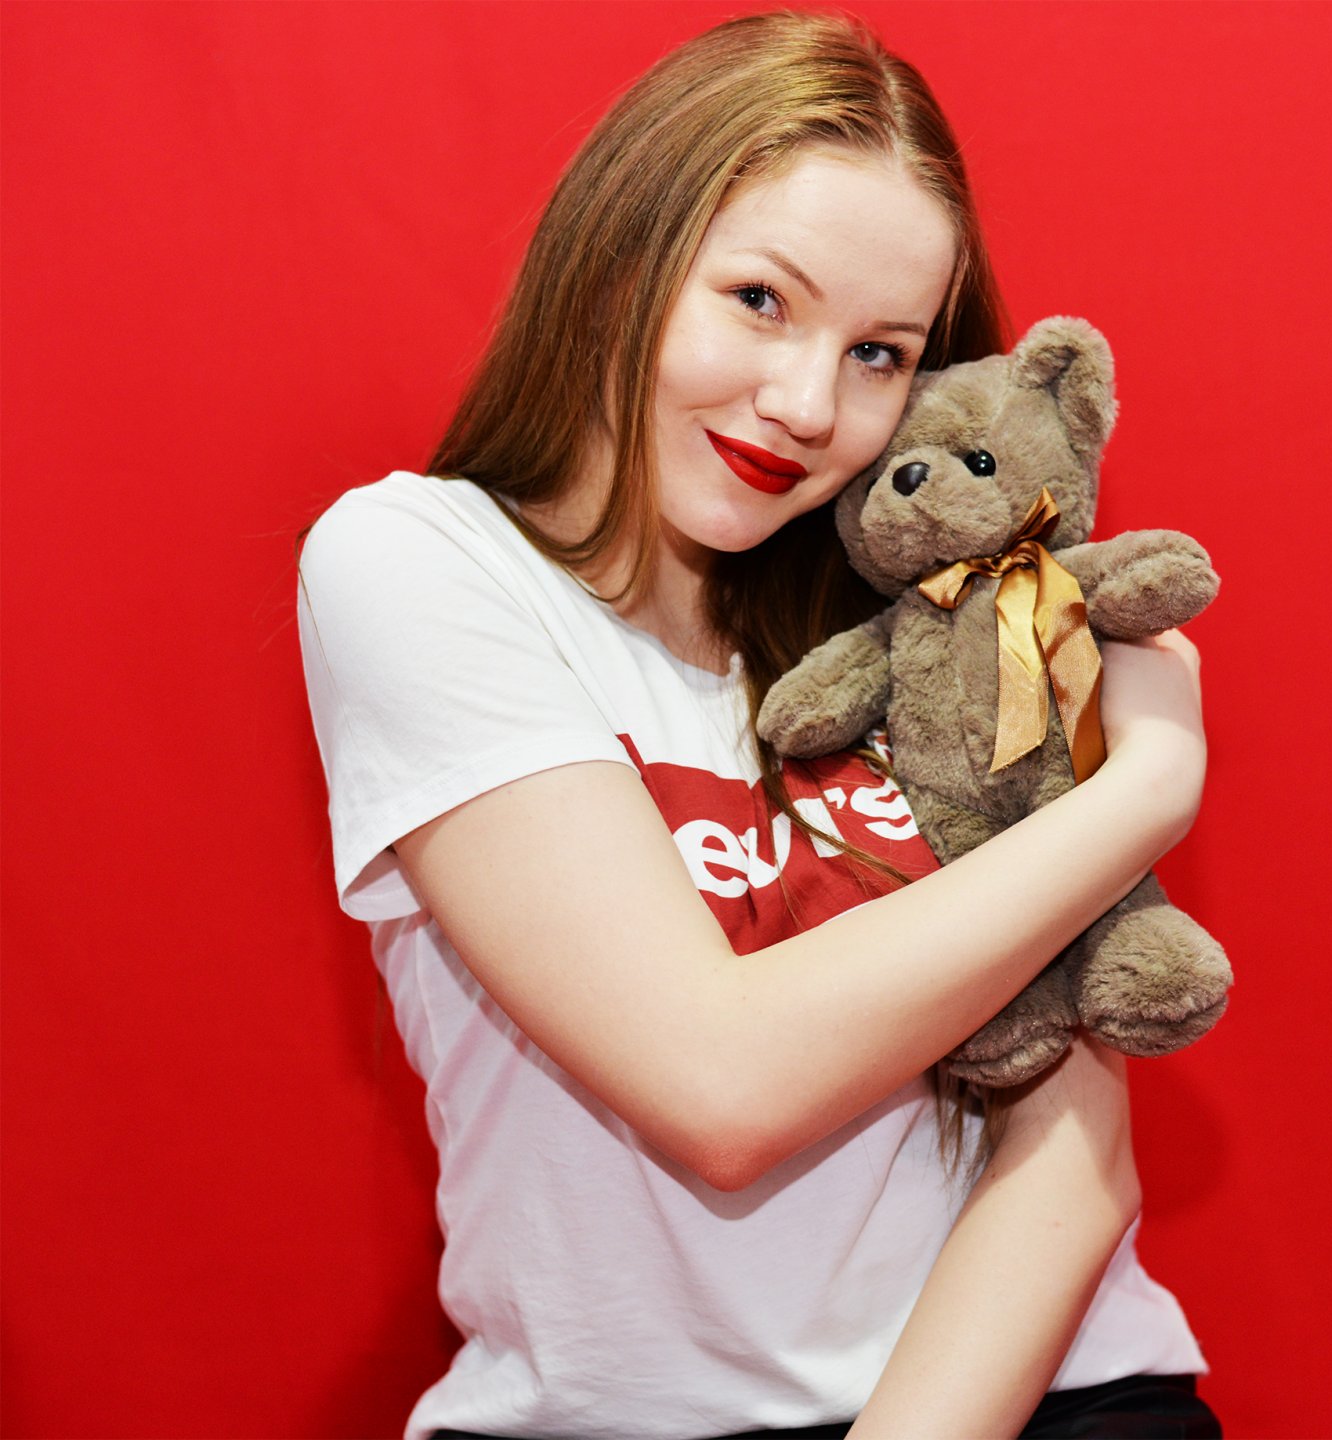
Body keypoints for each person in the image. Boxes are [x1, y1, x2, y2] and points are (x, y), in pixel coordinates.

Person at [297, 12, 1222, 1439]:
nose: (804, 405)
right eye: (759, 300)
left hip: (1045, 1400)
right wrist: (1145, 789)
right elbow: (721, 1083)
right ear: (623, 255)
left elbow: (1074, 1140)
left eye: (880, 353)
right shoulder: (423, 564)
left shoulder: (943, 617)